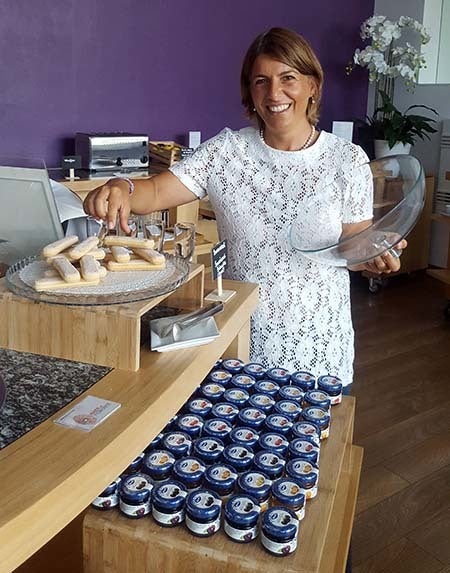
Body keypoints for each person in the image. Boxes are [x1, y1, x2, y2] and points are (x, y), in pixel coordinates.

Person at [83, 27, 406, 386]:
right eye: (261, 81)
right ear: (249, 92)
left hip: (320, 342)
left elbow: (354, 244)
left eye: (288, 78)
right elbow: (156, 193)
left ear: (313, 85)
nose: (274, 93)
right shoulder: (226, 153)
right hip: (242, 339)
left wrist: (377, 255)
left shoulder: (347, 159)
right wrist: (121, 186)